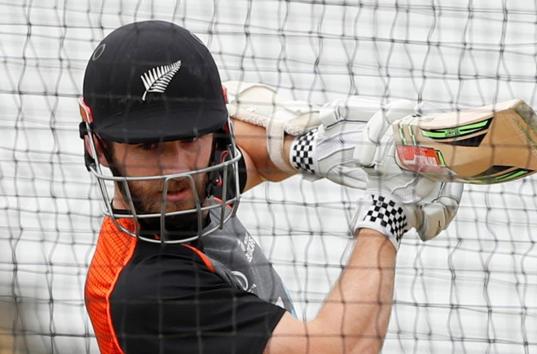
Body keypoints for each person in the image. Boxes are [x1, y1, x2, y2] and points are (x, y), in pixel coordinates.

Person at [80, 20, 462, 354]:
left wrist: (322, 148)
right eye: (149, 147)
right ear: (98, 145)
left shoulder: (187, 191)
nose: (178, 170)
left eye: (191, 138)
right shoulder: (146, 290)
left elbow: (251, 153)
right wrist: (389, 212)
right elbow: (341, 348)